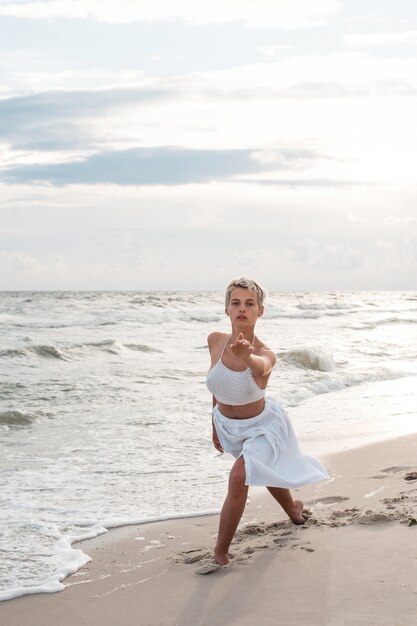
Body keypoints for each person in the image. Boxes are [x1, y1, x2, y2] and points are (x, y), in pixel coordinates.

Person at [206, 277, 328, 566]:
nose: (242, 309)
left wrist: (246, 356)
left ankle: (220, 553)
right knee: (262, 469)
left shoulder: (264, 354)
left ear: (260, 311)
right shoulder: (214, 341)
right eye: (235, 303)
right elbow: (217, 384)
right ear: (226, 309)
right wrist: (213, 425)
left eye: (249, 304)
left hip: (263, 427)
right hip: (228, 425)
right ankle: (294, 510)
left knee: (240, 477)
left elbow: (261, 367)